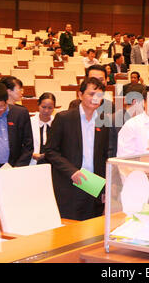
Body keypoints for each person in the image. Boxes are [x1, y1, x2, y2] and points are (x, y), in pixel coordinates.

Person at [44, 77, 109, 221]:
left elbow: (106, 156)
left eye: (99, 95)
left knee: (93, 234)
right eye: (91, 94)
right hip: (70, 184)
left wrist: (105, 188)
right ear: (80, 95)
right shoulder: (64, 118)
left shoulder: (104, 121)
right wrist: (72, 171)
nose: (95, 99)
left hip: (94, 186)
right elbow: (50, 151)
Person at [30, 93, 56, 165]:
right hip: (33, 162)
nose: (46, 111)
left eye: (50, 108)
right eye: (43, 107)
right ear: (38, 105)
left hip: (53, 163)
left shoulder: (57, 122)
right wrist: (32, 154)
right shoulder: (29, 122)